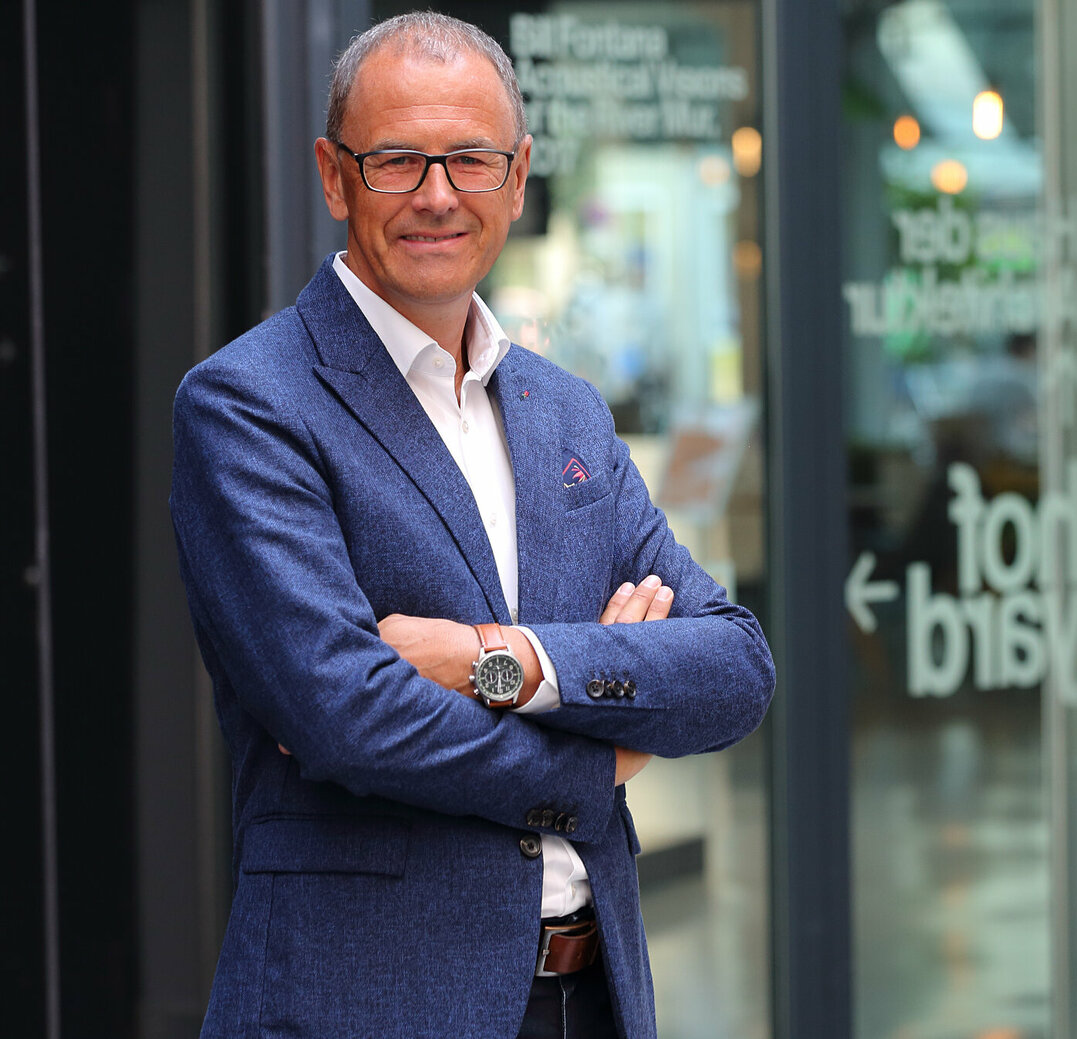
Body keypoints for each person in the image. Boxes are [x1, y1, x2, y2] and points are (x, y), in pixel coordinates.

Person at [169, 12, 773, 1038]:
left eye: (471, 159)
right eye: (398, 160)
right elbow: (347, 714)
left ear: (519, 175)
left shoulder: (565, 411)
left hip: (594, 999)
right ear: (333, 175)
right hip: (368, 1003)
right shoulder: (250, 406)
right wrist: (604, 757)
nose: (438, 194)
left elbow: (733, 665)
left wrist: (507, 661)